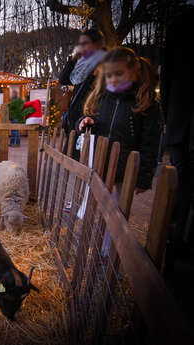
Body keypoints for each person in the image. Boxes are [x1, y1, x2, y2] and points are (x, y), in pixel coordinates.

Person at [77, 47, 161, 256]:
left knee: (117, 212)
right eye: (109, 75)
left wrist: (144, 177)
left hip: (125, 170)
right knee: (95, 206)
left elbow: (151, 143)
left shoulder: (145, 103)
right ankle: (90, 242)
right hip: (101, 164)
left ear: (134, 71)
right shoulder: (103, 98)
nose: (113, 79)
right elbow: (98, 121)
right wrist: (87, 121)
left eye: (119, 74)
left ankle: (108, 252)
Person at [160, 7, 194, 271]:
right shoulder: (181, 23)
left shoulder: (180, 23)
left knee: (183, 177)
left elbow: (168, 74)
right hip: (182, 119)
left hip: (180, 118)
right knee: (182, 179)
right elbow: (169, 74)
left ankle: (179, 236)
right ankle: (178, 237)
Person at [59, 28, 106, 159]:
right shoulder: (82, 64)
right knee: (72, 162)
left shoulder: (103, 63)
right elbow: (63, 79)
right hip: (75, 120)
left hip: (89, 119)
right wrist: (73, 58)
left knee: (85, 162)